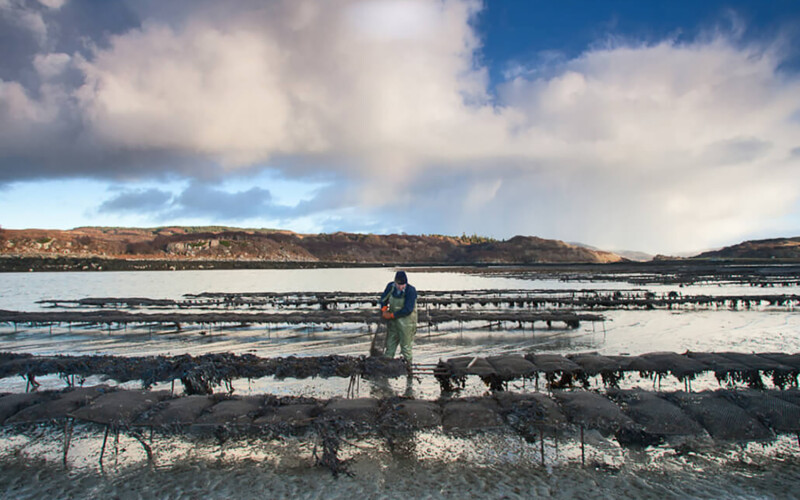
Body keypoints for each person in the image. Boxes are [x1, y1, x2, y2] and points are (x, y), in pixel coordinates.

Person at [379, 270, 417, 372]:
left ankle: (409, 369)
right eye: (398, 285)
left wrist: (392, 315)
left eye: (403, 285)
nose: (400, 287)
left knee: (406, 348)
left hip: (407, 323)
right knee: (389, 346)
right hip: (393, 323)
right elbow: (383, 299)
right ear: (395, 282)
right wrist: (383, 309)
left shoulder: (411, 291)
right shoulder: (390, 287)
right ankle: (386, 369)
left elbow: (408, 309)